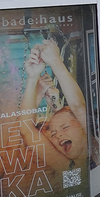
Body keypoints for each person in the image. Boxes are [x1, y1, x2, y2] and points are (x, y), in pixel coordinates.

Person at [19, 39, 91, 174]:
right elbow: (27, 130)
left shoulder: (95, 144)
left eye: (65, 127)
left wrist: (55, 61)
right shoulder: (67, 165)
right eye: (52, 133)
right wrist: (32, 77)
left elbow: (78, 107)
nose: (57, 135)